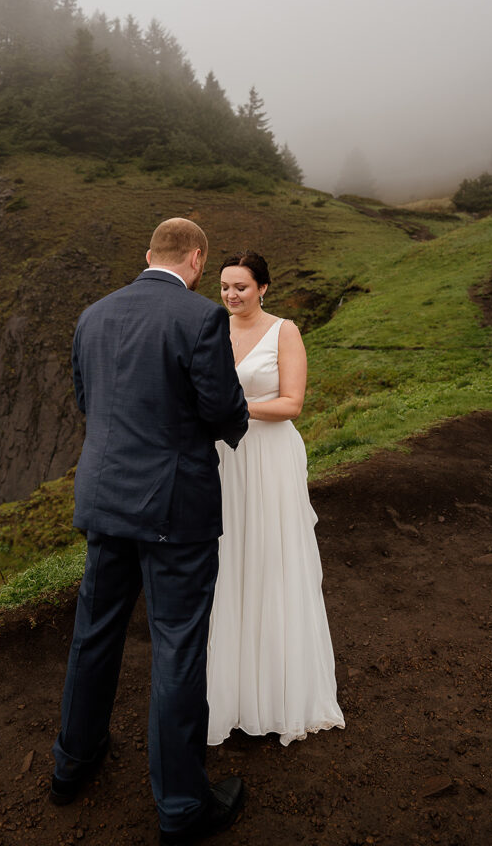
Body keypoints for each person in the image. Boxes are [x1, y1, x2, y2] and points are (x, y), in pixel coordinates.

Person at [50, 219, 249, 845]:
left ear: (147, 256)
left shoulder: (93, 316)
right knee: (177, 648)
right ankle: (183, 807)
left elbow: (89, 401)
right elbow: (221, 411)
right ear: (196, 259)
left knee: (94, 634)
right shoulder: (200, 319)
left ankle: (71, 765)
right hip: (174, 512)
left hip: (104, 501)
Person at [207, 251, 345, 747]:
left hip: (268, 458)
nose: (230, 294)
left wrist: (233, 409)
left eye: (240, 286)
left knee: (271, 559)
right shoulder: (211, 327)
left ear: (263, 287)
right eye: (224, 285)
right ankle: (233, 688)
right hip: (224, 460)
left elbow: (292, 403)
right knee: (229, 562)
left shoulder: (284, 331)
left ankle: (282, 687)